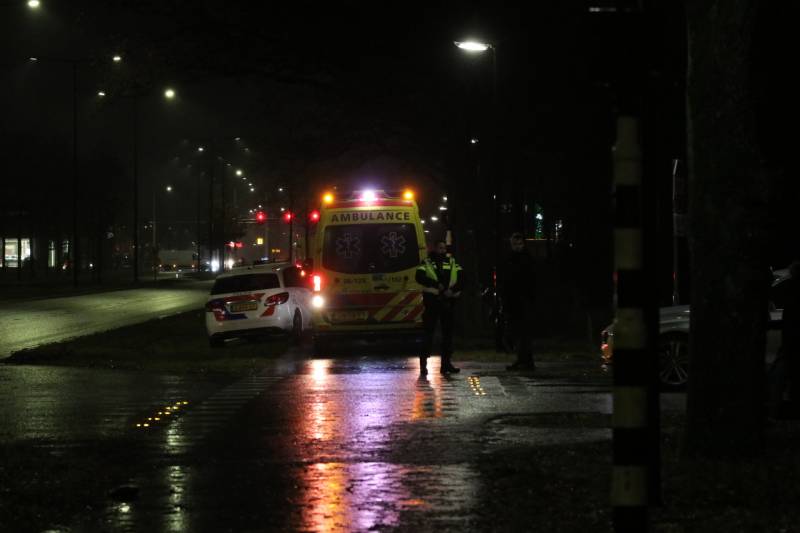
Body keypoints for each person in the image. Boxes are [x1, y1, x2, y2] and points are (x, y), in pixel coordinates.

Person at [416, 240, 463, 375]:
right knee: (428, 334)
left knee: (447, 335)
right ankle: (423, 364)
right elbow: (419, 277)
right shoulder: (426, 262)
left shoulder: (452, 262)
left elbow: (462, 278)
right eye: (440, 248)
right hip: (432, 303)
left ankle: (446, 364)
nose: (442, 250)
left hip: (448, 302)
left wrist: (452, 290)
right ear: (435, 249)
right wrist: (436, 284)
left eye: (444, 248)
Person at [500, 232, 536, 371]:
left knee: (524, 333)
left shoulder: (526, 259)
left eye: (519, 244)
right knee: (517, 332)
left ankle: (526, 360)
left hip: (523, 300)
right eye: (515, 244)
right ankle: (523, 359)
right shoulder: (510, 259)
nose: (517, 247)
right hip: (513, 300)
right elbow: (506, 280)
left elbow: (531, 281)